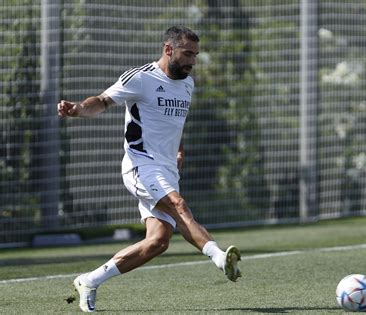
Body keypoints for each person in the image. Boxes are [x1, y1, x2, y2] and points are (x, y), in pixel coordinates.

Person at [57, 26, 241, 313]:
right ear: (168, 49)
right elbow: (104, 100)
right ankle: (219, 258)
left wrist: (178, 149)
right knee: (179, 205)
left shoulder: (188, 84)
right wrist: (78, 108)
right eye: (187, 54)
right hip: (140, 165)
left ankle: (89, 280)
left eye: (196, 55)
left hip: (166, 170)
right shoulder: (141, 78)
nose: (193, 61)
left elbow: (173, 123)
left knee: (157, 242)